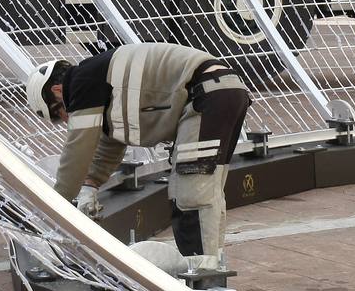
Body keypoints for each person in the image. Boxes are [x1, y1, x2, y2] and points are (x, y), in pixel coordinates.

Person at [25, 43, 251, 271]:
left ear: (56, 90)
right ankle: (210, 264)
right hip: (224, 92)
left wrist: (54, 209)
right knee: (207, 186)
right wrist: (90, 185)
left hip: (207, 96)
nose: (65, 120)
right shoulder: (100, 80)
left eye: (58, 112)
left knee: (191, 189)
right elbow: (111, 142)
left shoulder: (81, 84)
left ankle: (202, 274)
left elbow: (77, 151)